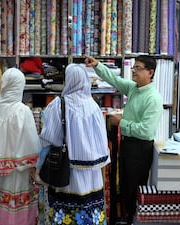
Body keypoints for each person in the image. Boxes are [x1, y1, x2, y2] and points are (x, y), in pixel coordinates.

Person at [85, 55, 163, 224]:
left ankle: (134, 220)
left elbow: (145, 131)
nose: (134, 71)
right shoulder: (134, 88)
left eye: (138, 68)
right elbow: (114, 79)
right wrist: (97, 65)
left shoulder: (153, 99)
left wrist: (122, 122)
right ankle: (128, 218)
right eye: (134, 67)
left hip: (140, 149)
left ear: (150, 72)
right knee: (125, 187)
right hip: (128, 145)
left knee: (134, 189)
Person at [39, 63, 110, 225]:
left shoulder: (58, 105)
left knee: (65, 213)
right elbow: (102, 141)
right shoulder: (94, 106)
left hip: (66, 170)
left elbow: (50, 138)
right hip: (92, 173)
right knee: (90, 212)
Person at [0, 67, 41, 225]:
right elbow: (31, 143)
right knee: (16, 207)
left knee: (0, 204)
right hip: (17, 172)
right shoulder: (22, 111)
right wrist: (35, 165)